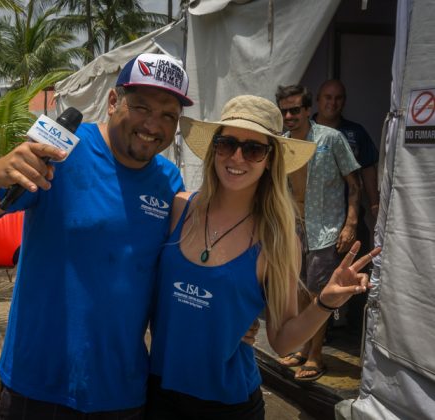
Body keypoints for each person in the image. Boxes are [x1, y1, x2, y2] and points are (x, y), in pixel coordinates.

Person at [0, 53, 196, 419]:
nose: (153, 124)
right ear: (113, 102)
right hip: (37, 383)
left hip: (121, 392)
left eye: (168, 116)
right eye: (142, 107)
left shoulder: (168, 180)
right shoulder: (60, 150)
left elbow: (172, 276)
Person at [145, 95, 379, 419]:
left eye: (254, 149)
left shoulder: (277, 239)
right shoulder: (180, 209)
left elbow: (282, 341)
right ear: (215, 148)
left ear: (270, 159)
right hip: (159, 392)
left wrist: (325, 302)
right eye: (227, 143)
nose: (237, 157)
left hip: (228, 405)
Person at [275, 84, 362, 381]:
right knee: (299, 291)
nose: (289, 115)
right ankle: (302, 346)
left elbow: (354, 182)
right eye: (284, 110)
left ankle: (316, 355)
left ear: (307, 109)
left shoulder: (331, 138)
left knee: (319, 293)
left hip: (326, 228)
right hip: (295, 227)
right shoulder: (281, 144)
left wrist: (351, 222)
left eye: (295, 109)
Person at [313, 79, 380, 331]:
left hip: (349, 217)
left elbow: (368, 170)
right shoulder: (304, 131)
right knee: (314, 282)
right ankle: (320, 333)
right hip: (314, 221)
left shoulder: (355, 133)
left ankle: (357, 329)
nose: (333, 102)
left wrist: (374, 206)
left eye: (338, 98)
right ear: (318, 100)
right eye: (327, 97)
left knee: (355, 270)